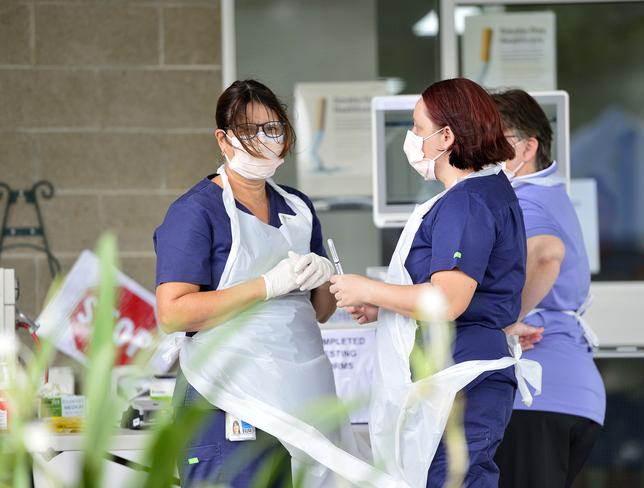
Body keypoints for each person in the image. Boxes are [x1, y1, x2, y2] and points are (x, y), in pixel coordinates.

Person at [330, 78, 527, 487]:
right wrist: (386, 304)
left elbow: (447, 301)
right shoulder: (486, 192)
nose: (413, 139)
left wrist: (368, 289)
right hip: (462, 374)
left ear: (447, 137)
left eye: (418, 129)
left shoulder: (467, 202)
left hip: (462, 376)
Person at [154, 79, 337, 487]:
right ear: (223, 139)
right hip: (226, 394)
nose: (263, 140)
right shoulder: (195, 212)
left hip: (300, 391)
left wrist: (324, 278)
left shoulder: (298, 207)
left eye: (272, 129)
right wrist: (266, 285)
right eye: (248, 130)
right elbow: (172, 313)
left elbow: (321, 312)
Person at [492, 89, 606, 488]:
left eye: (495, 140)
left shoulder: (525, 201)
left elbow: (544, 256)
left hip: (538, 395)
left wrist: (503, 321)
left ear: (528, 147)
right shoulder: (550, 193)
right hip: (570, 394)